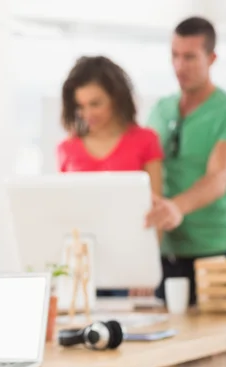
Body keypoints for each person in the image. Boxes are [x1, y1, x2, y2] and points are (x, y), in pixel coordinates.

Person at [145, 17, 226, 367]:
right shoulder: (161, 109)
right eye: (175, 56)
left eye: (191, 57)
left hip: (217, 257)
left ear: (212, 57)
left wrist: (177, 207)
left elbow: (219, 177)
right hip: (167, 258)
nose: (181, 66)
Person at [57, 55, 163, 297]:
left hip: (130, 267)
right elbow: (65, 215)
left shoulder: (145, 141)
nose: (87, 113)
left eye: (95, 103)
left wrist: (143, 270)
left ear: (116, 99)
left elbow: (155, 210)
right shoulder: (67, 148)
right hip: (82, 272)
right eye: (80, 106)